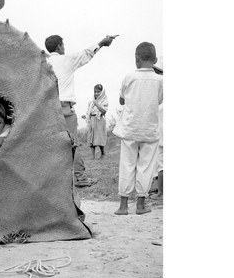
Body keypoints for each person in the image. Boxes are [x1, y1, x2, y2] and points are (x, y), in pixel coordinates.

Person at [45, 34, 116, 186]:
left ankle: (54, 179)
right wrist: (102, 42)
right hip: (64, 107)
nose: (64, 48)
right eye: (63, 45)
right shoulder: (66, 60)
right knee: (72, 143)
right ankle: (79, 177)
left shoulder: (43, 62)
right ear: (59, 46)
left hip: (47, 109)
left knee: (52, 144)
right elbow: (86, 53)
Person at [112, 42, 163, 215]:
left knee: (126, 164)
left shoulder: (129, 77)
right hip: (150, 129)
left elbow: (121, 100)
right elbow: (160, 100)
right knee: (146, 166)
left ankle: (123, 205)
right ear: (155, 60)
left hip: (130, 128)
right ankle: (141, 204)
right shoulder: (160, 80)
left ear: (136, 59)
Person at [82, 84, 109, 159]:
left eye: (98, 92)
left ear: (102, 92)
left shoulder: (104, 100)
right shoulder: (91, 101)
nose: (96, 93)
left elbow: (104, 111)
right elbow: (89, 111)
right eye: (95, 91)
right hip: (92, 119)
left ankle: (103, 154)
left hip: (100, 119)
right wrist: (86, 116)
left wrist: (97, 104)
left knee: (99, 136)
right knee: (92, 137)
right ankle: (93, 155)